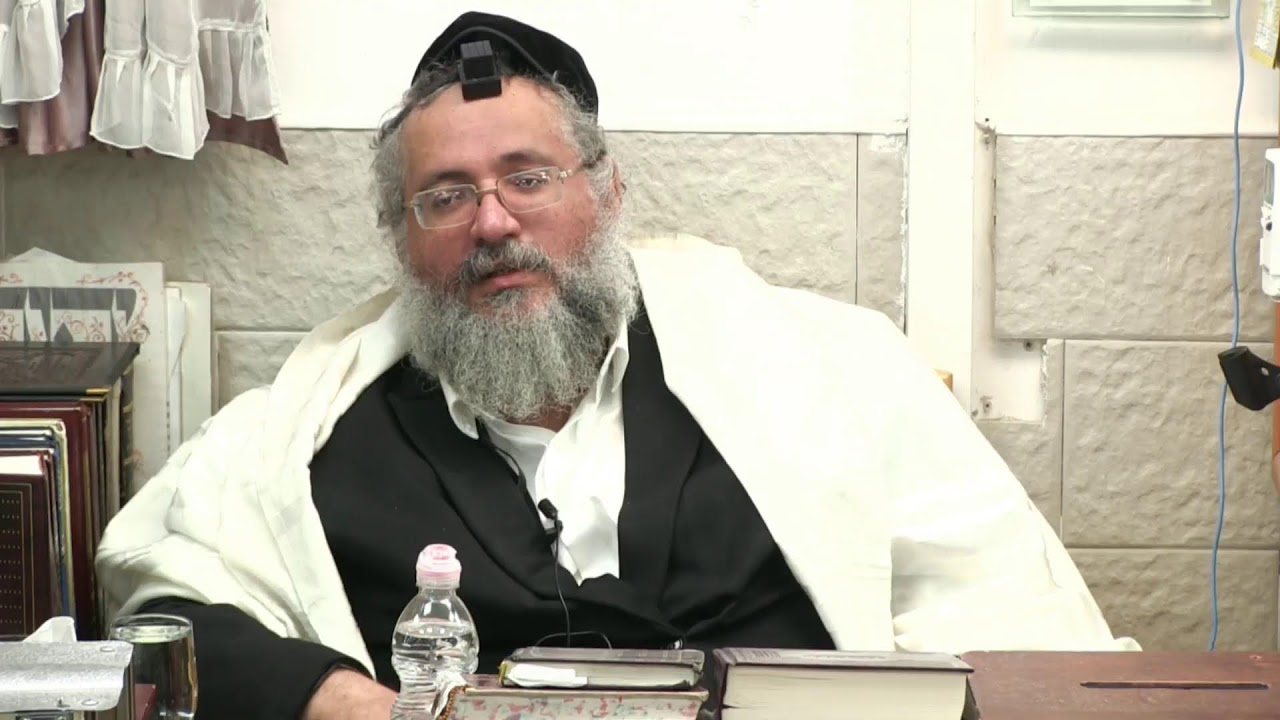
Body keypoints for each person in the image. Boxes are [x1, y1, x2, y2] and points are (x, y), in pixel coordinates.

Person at [94, 10, 1138, 720]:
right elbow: (159, 605)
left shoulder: (819, 371)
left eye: (528, 178)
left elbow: (1004, 614)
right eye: (446, 196)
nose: (493, 223)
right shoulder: (315, 427)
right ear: (401, 237)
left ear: (605, 192)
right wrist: (335, 696)